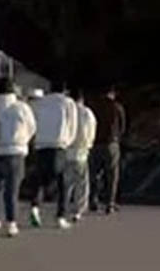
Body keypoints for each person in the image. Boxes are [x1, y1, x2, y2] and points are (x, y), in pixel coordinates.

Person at [28, 80, 77, 230]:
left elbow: (33, 123)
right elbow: (73, 125)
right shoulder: (68, 103)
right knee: (63, 182)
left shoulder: (40, 102)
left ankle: (35, 207)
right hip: (58, 144)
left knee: (40, 180)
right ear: (65, 90)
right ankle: (60, 216)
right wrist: (68, 141)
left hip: (41, 144)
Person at [0, 77, 37, 237]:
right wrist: (23, 141)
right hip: (16, 152)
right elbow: (32, 127)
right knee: (12, 191)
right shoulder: (22, 107)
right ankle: (11, 223)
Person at [89, 85, 127, 214]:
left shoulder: (95, 107)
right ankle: (110, 203)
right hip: (111, 143)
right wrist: (118, 138)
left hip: (96, 143)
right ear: (112, 93)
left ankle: (93, 199)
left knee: (94, 174)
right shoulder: (117, 107)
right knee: (112, 174)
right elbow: (122, 127)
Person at [66, 88, 96, 223]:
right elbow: (91, 131)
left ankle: (64, 207)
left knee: (67, 183)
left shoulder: (67, 111)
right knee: (81, 182)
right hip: (81, 151)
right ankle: (78, 210)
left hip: (67, 151)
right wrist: (88, 145)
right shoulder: (87, 113)